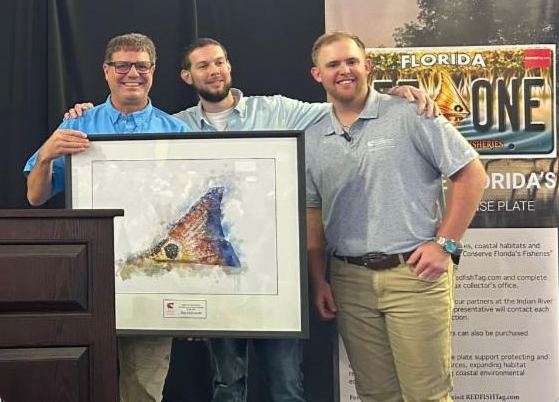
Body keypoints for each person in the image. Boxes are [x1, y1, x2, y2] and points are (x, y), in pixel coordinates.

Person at [66, 37, 437, 402]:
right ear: (186, 76)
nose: (214, 71)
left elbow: (342, 105)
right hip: (218, 274)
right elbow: (164, 207)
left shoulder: (276, 109)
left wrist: (390, 98)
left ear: (229, 66)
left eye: (219, 62)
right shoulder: (176, 128)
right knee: (227, 384)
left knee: (286, 384)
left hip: (275, 275)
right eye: (203, 65)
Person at [305, 31, 486, 402]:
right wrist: (318, 279)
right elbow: (312, 212)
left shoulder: (410, 112)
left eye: (352, 61)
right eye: (333, 64)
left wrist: (446, 245)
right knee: (376, 395)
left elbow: (472, 175)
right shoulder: (311, 134)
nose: (344, 70)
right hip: (349, 281)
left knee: (427, 396)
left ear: (367, 66)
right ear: (317, 75)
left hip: (413, 276)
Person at [23, 33, 190, 402]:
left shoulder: (178, 133)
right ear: (106, 70)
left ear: (153, 70)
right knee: (81, 381)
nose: (132, 73)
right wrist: (47, 153)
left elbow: (188, 217)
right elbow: (35, 196)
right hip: (87, 277)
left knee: (144, 388)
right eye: (122, 65)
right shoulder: (77, 124)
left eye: (141, 66)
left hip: (153, 279)